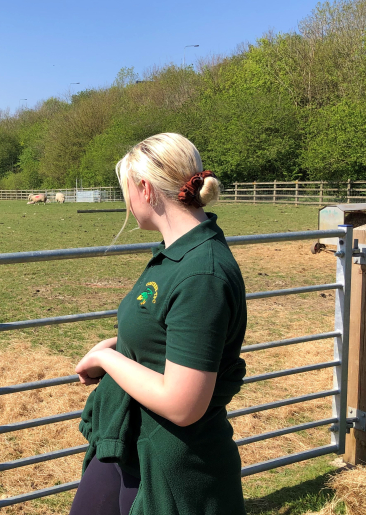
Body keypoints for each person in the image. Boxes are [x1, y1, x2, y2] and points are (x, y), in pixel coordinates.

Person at [71, 133, 247, 515]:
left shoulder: (202, 273)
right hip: (129, 438)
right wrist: (119, 345)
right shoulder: (174, 257)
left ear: (146, 189)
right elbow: (164, 330)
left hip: (172, 463)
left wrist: (108, 360)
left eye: (127, 190)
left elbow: (182, 405)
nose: (127, 202)